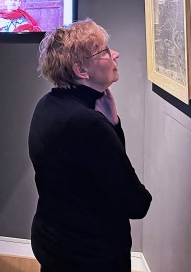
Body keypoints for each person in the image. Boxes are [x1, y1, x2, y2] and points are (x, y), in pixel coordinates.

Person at [28, 19, 151, 272]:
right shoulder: (87, 124)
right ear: (81, 70)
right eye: (104, 51)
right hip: (89, 255)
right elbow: (137, 203)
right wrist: (110, 127)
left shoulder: (47, 104)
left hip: (52, 240)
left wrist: (112, 123)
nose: (115, 54)